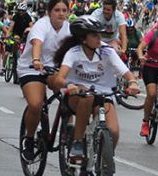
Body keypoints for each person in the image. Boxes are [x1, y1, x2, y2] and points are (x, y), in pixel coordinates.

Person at [53, 16, 140, 161]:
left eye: (100, 34)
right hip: (77, 95)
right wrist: (69, 85)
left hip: (103, 94)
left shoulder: (107, 51)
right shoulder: (73, 53)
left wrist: (132, 83)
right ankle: (78, 142)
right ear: (83, 39)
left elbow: (125, 72)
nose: (99, 38)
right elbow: (59, 78)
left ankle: (104, 163)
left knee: (113, 131)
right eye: (94, 35)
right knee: (87, 97)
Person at [17, 0, 71, 160]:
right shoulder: (42, 25)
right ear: (49, 12)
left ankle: (68, 129)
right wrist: (35, 60)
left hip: (54, 70)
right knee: (36, 104)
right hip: (32, 69)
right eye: (57, 10)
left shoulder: (68, 29)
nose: (60, 14)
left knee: (71, 93)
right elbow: (37, 44)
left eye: (64, 10)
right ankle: (30, 139)